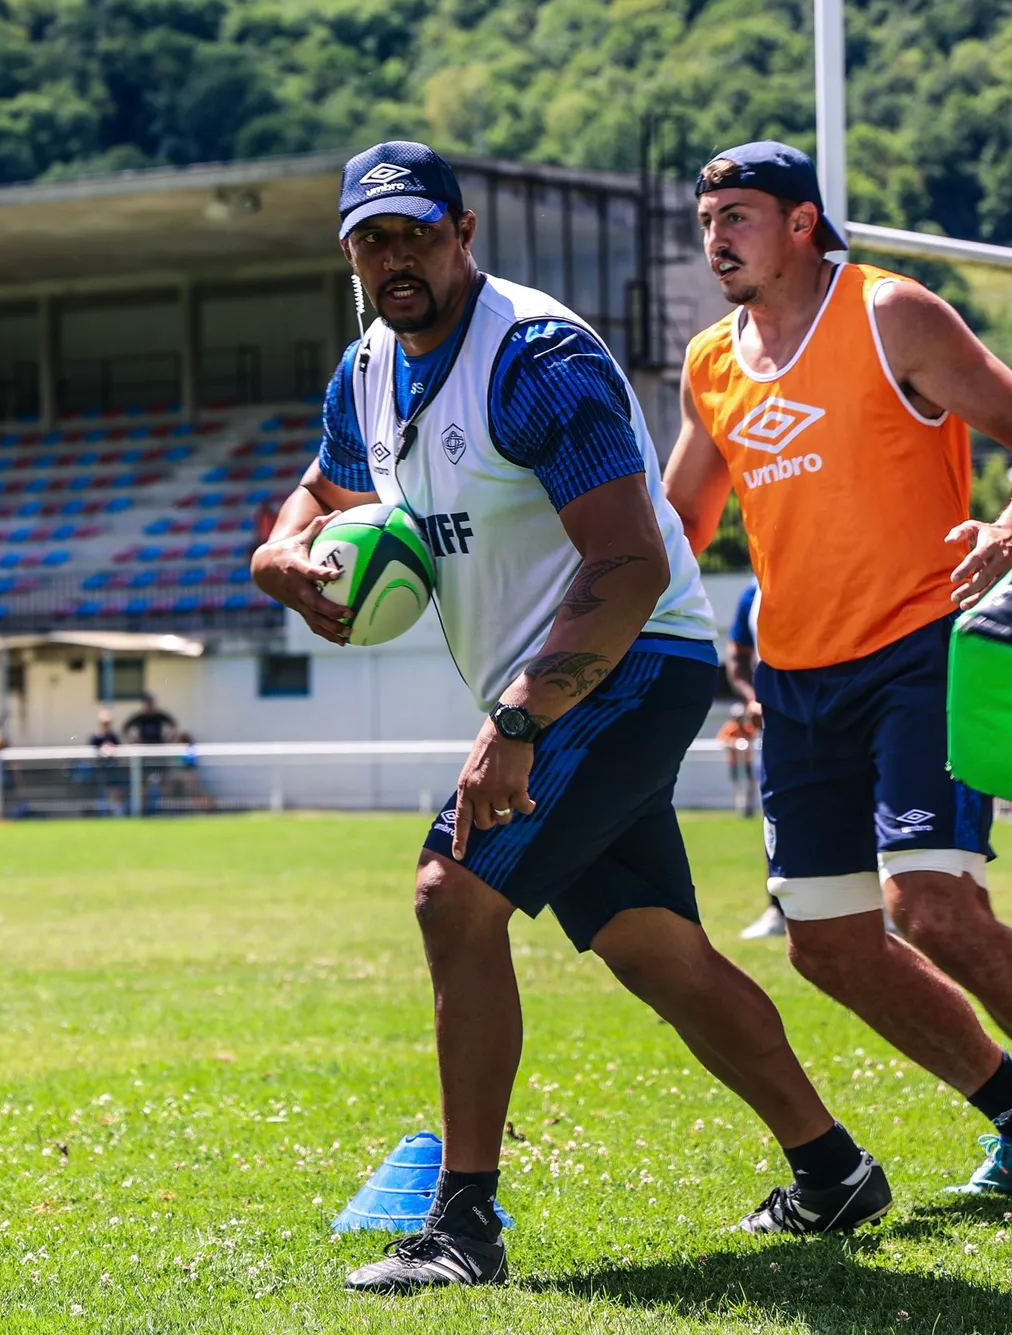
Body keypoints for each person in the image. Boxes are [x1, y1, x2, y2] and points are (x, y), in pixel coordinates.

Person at [252, 139, 891, 1294]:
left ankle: (464, 1222)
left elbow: (632, 563)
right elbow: (329, 484)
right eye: (369, 240)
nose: (393, 258)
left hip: (630, 665)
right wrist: (282, 547)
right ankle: (832, 1167)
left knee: (450, 895)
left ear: (463, 232)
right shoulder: (366, 367)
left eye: (413, 232)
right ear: (349, 255)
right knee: (656, 951)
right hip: (558, 684)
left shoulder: (536, 356)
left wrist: (519, 719)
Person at [665, 139, 1012, 1195]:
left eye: (738, 216)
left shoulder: (888, 312)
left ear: (802, 221)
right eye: (706, 219)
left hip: (918, 652)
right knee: (826, 947)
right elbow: (678, 519)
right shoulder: (708, 364)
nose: (714, 237)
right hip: (794, 686)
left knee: (930, 903)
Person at [726, 577, 785, 938]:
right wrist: (753, 698)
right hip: (781, 720)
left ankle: (881, 909)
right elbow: (737, 658)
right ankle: (778, 910)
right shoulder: (754, 591)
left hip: (841, 707)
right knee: (778, 811)